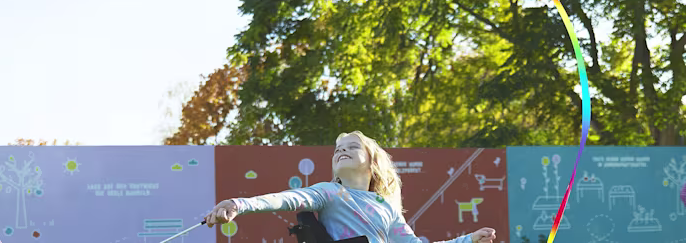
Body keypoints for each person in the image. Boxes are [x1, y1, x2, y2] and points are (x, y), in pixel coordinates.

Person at [205, 130, 496, 243]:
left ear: (372, 164)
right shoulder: (330, 193)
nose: (341, 150)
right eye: (338, 148)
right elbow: (287, 199)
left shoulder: (387, 208)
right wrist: (239, 204)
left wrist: (468, 240)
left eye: (352, 147)